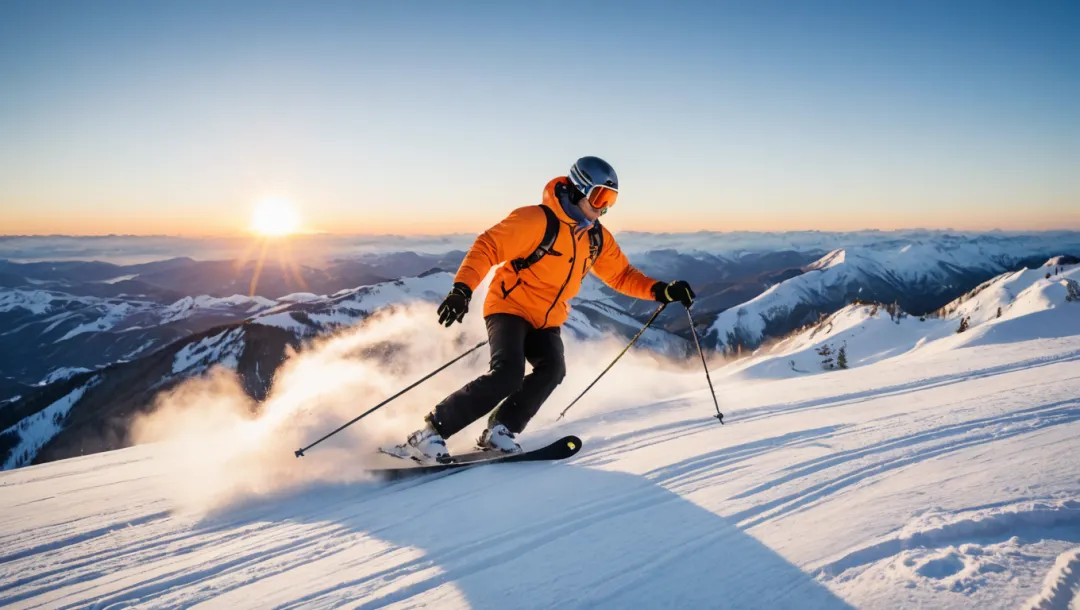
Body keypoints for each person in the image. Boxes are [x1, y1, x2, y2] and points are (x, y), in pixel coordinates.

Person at [389, 156, 695, 464]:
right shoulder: (536, 220)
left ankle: (501, 429)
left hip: (547, 318)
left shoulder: (595, 238)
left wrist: (662, 291)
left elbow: (621, 275)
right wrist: (462, 289)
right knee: (508, 374)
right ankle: (429, 433)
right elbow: (488, 246)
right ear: (578, 189)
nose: (604, 207)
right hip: (509, 306)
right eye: (601, 196)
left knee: (553, 369)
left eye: (611, 200)